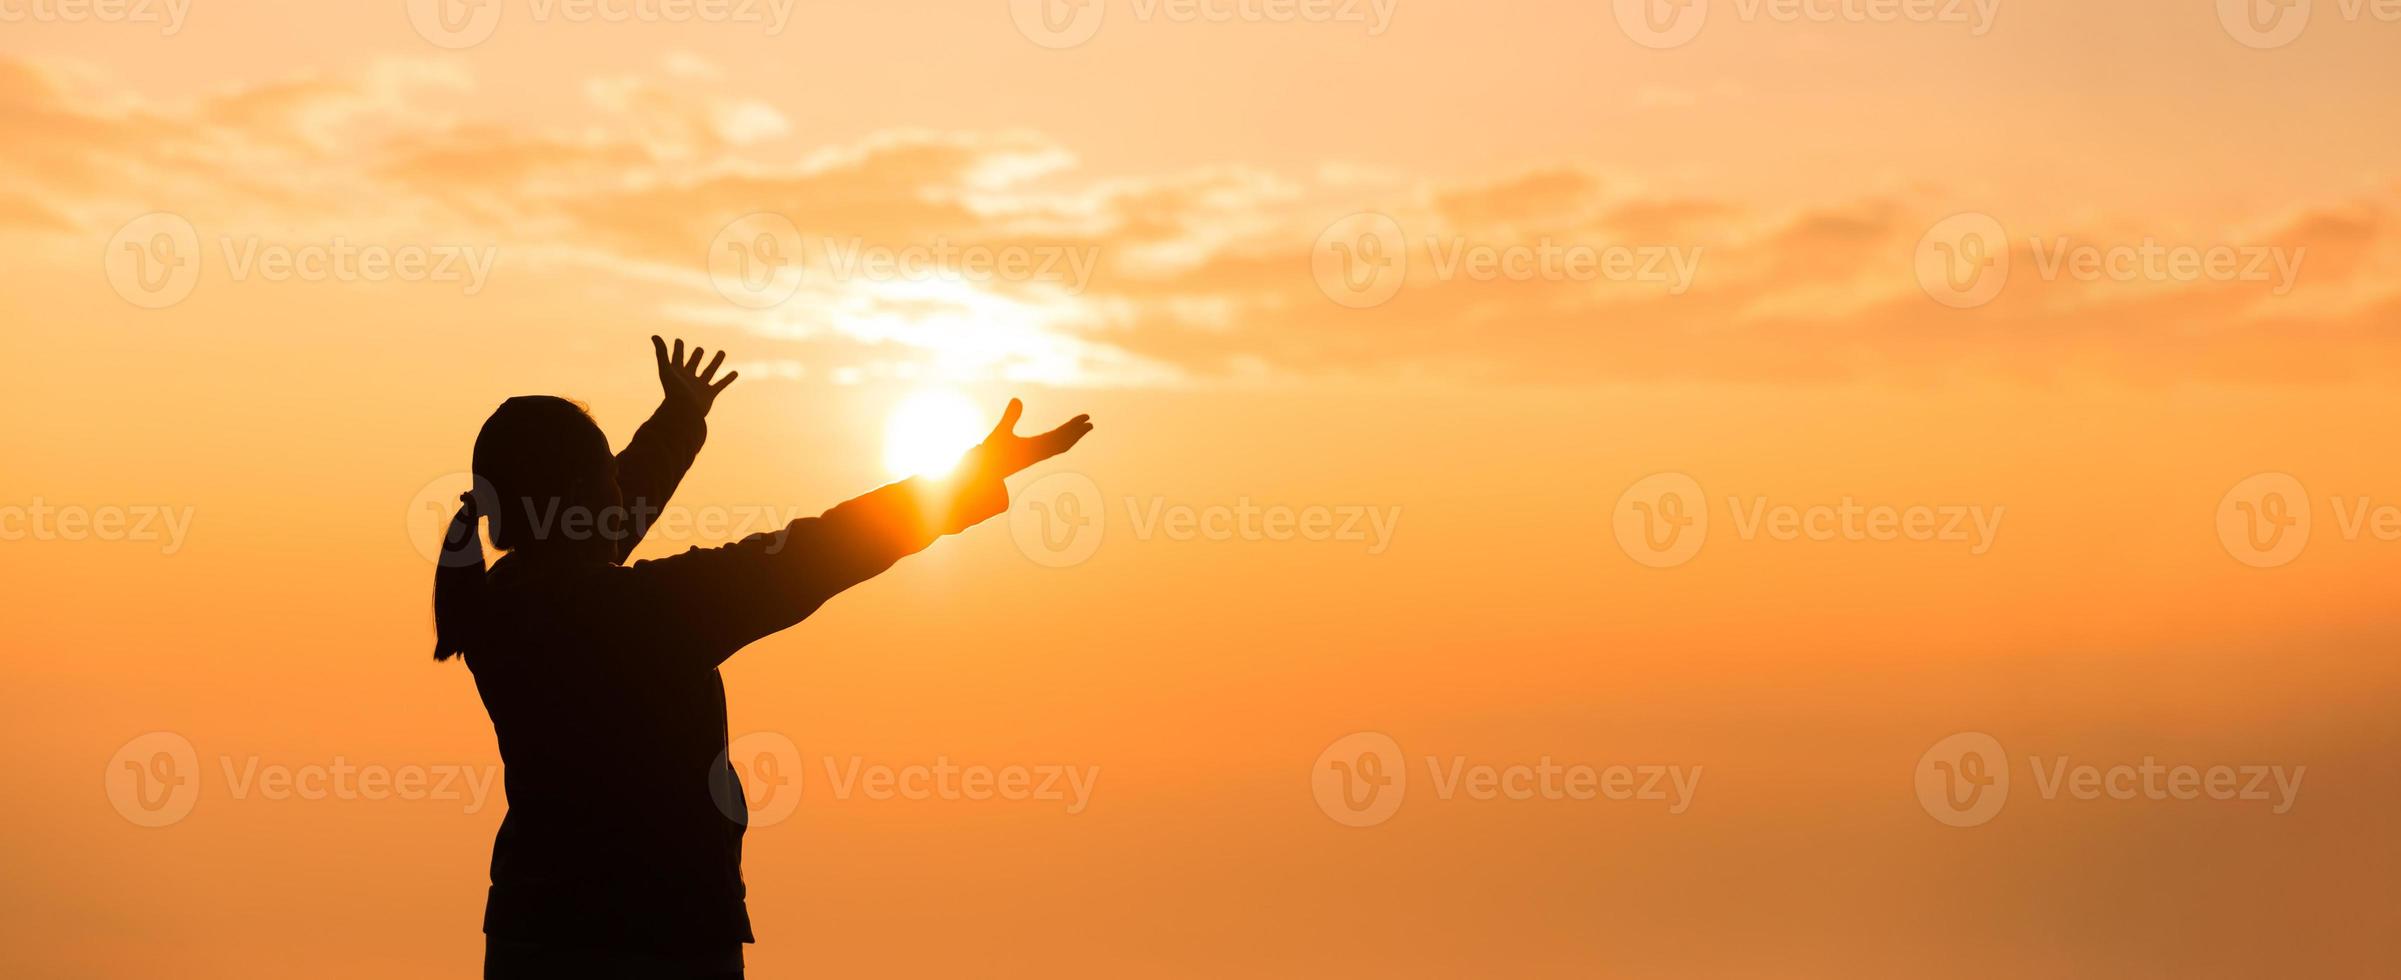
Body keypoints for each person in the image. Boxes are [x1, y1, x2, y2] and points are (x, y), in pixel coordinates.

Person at [429, 337, 1094, 979]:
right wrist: (975, 475)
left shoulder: (500, 606)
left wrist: (678, 422)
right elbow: (822, 550)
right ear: (576, 495)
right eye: (606, 473)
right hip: (661, 939)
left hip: (532, 935)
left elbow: (604, 514)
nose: (618, 488)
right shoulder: (645, 615)